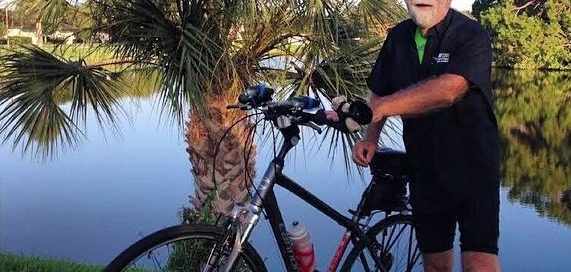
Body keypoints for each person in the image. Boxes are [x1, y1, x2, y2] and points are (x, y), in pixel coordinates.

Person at [352, 1, 501, 271]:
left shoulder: (472, 34)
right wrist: (371, 137)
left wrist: (382, 107)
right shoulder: (397, 37)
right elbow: (380, 91)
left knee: (479, 263)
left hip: (474, 167)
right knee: (434, 263)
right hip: (424, 167)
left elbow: (448, 90)